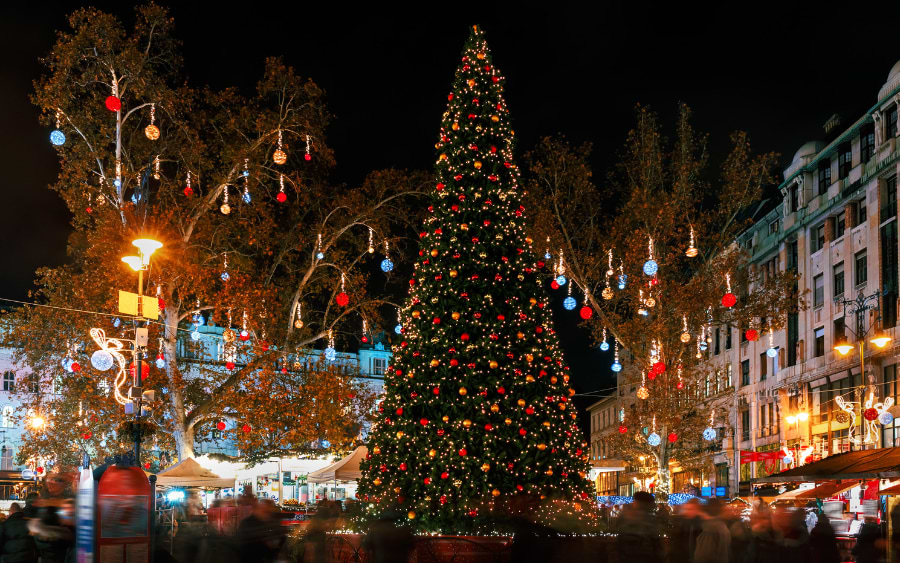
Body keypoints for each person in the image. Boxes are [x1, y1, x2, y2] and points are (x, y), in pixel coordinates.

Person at [614, 491, 663, 563]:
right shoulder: (649, 518)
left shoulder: (625, 516)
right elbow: (655, 542)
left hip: (628, 555)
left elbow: (619, 536)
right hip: (644, 556)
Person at [237, 499, 285, 563]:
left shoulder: (271, 521)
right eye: (265, 511)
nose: (267, 513)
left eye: (268, 511)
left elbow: (280, 537)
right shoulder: (248, 523)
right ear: (257, 510)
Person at [669, 498, 702, 563]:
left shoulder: (702, 525)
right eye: (687, 509)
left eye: (691, 509)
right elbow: (675, 546)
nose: (688, 512)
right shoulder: (681, 524)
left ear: (698, 510)